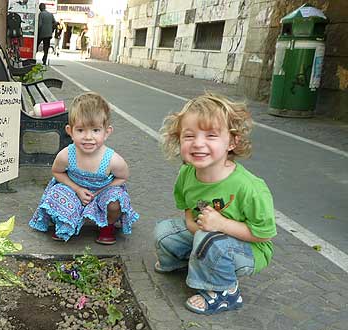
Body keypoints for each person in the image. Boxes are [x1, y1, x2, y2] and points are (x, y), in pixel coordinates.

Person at [153, 93, 277, 315]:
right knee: (164, 232)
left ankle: (225, 292)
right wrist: (194, 226)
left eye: (211, 135)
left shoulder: (249, 188)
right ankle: (190, 263)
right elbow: (189, 211)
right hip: (209, 233)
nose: (198, 143)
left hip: (249, 249)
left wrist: (220, 224)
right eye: (189, 136)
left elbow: (264, 235)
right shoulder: (187, 173)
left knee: (208, 239)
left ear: (232, 142)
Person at [29, 92, 139, 244]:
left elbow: (123, 177)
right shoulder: (66, 155)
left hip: (102, 192)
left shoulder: (113, 160)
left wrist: (101, 190)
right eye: (81, 130)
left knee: (116, 201)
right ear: (70, 131)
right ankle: (64, 224)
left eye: (95, 130)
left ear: (106, 132)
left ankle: (107, 225)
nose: (88, 137)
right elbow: (57, 172)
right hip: (74, 191)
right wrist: (77, 189)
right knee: (55, 193)